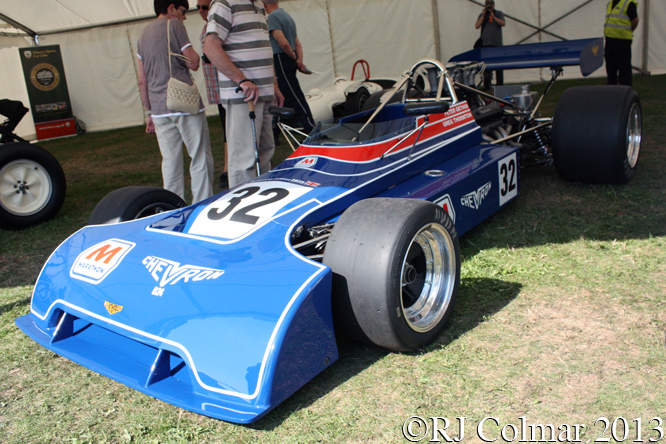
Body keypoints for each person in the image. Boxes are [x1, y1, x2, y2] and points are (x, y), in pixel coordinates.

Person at [137, 0, 214, 204]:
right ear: (171, 8)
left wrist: (149, 113)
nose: (184, 16)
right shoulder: (174, 25)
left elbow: (142, 79)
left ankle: (172, 206)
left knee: (170, 163)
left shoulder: (142, 35)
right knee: (199, 157)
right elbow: (194, 62)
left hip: (159, 108)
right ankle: (201, 203)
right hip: (183, 102)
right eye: (182, 11)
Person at [203, 0, 284, 189]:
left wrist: (274, 85)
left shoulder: (259, 5)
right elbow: (210, 47)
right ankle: (241, 205)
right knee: (244, 159)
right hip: (243, 96)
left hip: (264, 94)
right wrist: (242, 80)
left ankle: (263, 197)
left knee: (265, 153)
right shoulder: (224, 3)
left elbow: (264, 47)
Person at [263, 0, 315, 134]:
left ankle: (310, 128)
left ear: (263, 4)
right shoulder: (287, 16)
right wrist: (299, 61)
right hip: (290, 58)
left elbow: (284, 43)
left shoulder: (272, 17)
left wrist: (294, 58)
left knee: (293, 95)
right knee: (283, 95)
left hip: (281, 58)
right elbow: (297, 43)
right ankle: (276, 130)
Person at [196, 0, 229, 189]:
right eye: (198, 7)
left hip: (225, 86)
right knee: (226, 127)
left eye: (204, 7)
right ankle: (227, 167)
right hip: (216, 88)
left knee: (229, 128)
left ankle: (227, 168)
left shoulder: (217, 26)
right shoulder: (206, 27)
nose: (201, 11)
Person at [604, 0, 639, 86]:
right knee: (610, 66)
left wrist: (629, 31)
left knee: (623, 67)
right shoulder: (610, 3)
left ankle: (626, 89)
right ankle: (611, 87)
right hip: (609, 39)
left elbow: (635, 20)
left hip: (622, 40)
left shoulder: (628, 3)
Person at [474, 0, 506, 89]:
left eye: (491, 7)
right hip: (485, 44)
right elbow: (477, 26)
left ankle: (500, 84)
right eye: (487, 7)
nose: (489, 8)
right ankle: (487, 84)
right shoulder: (482, 15)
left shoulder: (498, 13)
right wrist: (484, 15)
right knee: (486, 66)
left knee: (499, 65)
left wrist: (493, 16)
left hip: (497, 44)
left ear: (494, 6)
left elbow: (503, 23)